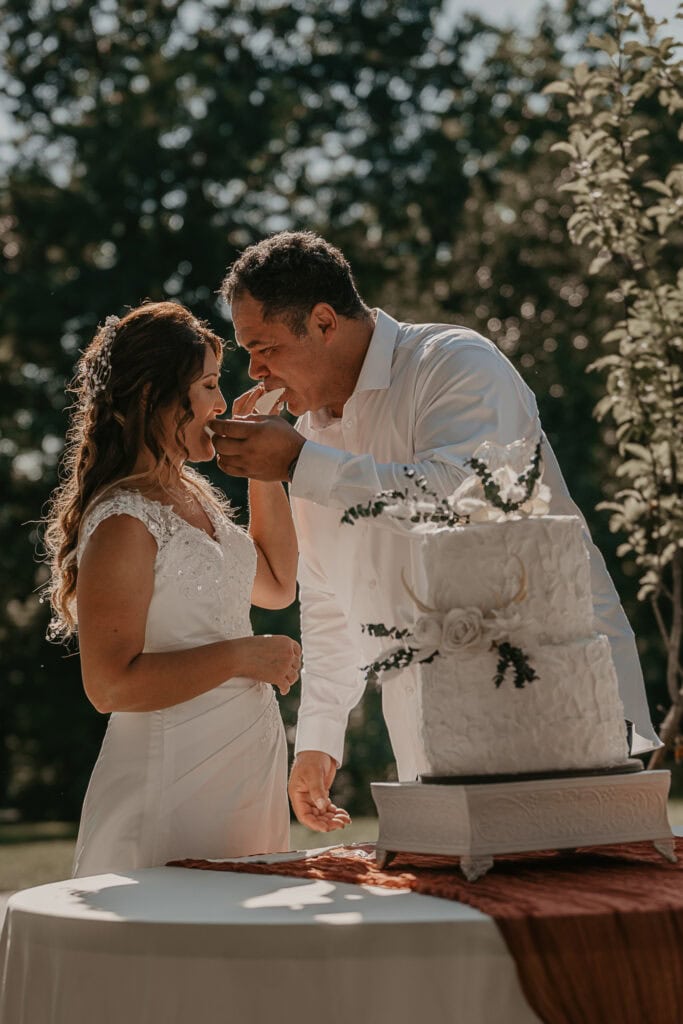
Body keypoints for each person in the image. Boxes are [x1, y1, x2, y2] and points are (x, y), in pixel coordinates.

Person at [211, 231, 661, 833]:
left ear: (322, 322)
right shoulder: (311, 436)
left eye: (262, 347)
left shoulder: (453, 362)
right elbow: (326, 596)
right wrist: (319, 735)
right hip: (427, 720)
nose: (255, 370)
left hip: (551, 694)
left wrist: (297, 465)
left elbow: (461, 499)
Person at [44, 300, 313, 877]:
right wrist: (245, 656)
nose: (220, 404)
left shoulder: (192, 495)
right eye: (209, 385)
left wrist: (262, 467)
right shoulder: (124, 521)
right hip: (172, 776)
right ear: (153, 397)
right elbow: (110, 685)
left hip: (242, 770)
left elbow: (277, 582)